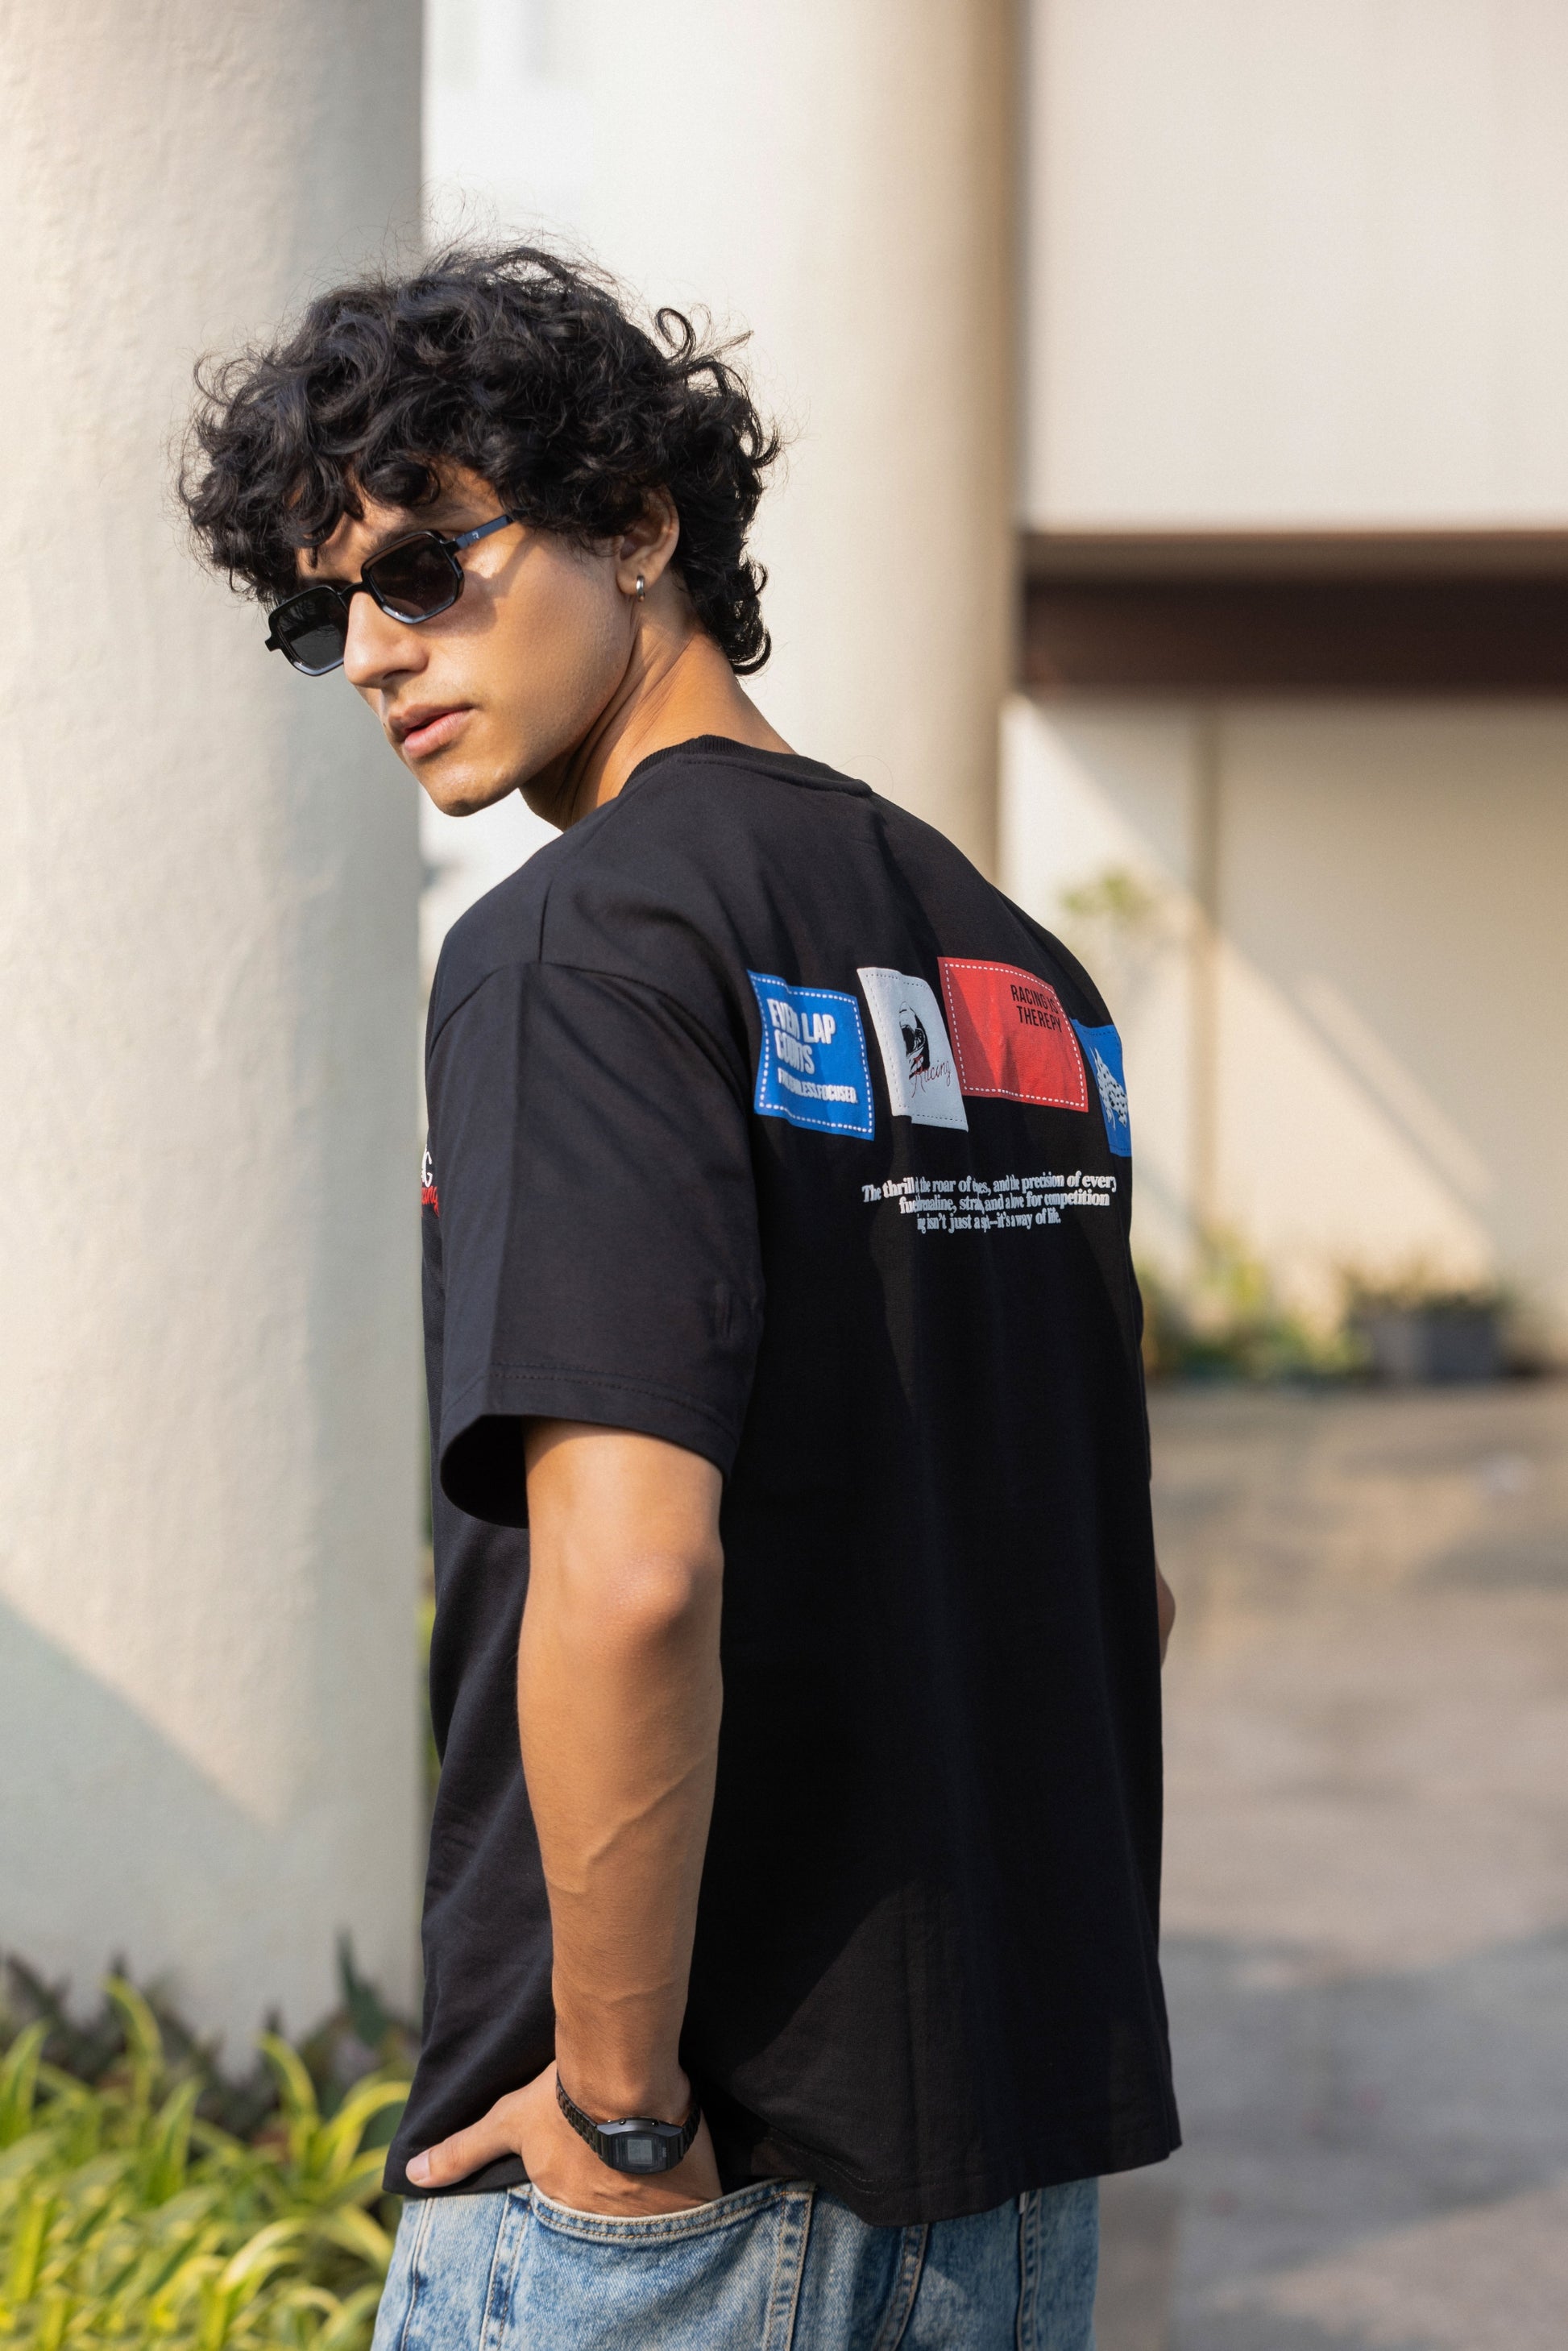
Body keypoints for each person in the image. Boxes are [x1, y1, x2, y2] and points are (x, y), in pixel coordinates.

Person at [180, 244, 1178, 2351]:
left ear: (636, 524)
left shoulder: (578, 950)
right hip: (1008, 2178)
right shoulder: (1015, 963)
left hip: (685, 2195)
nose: (371, 652)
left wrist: (620, 2107)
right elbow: (1123, 1583)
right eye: (321, 609)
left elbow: (629, 1580)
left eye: (424, 566)